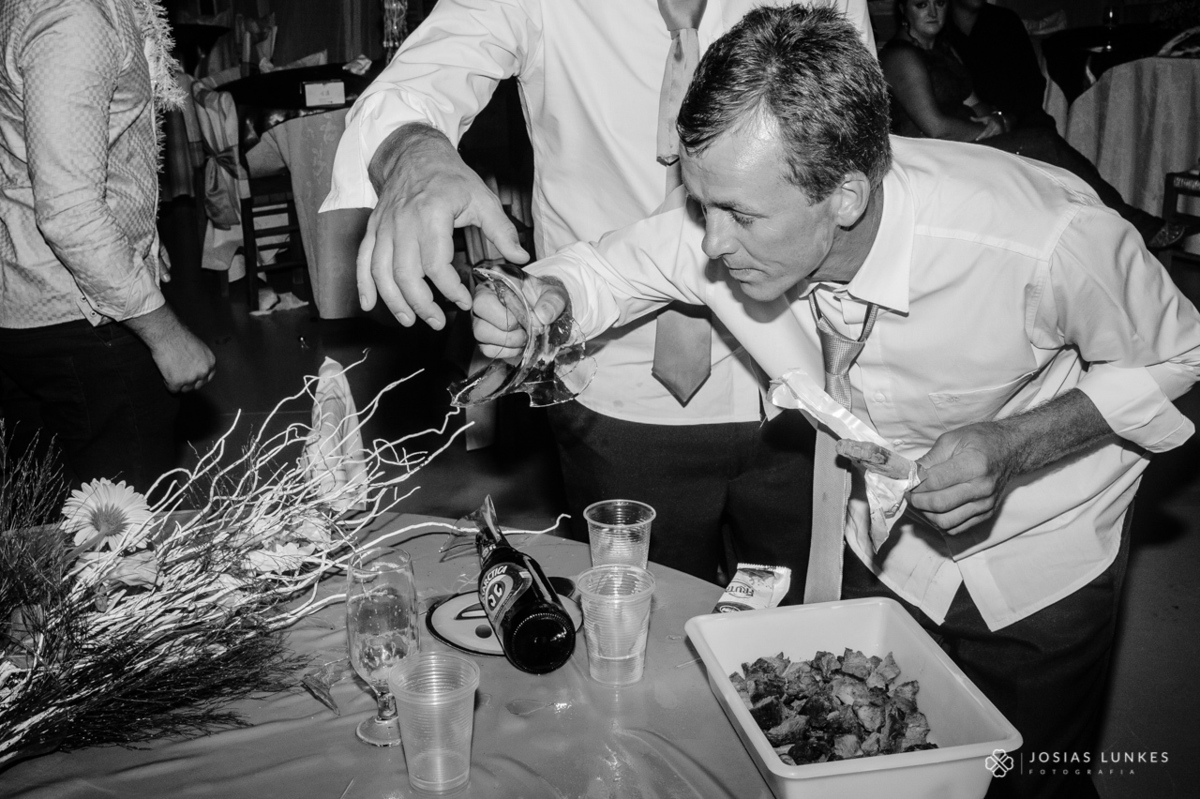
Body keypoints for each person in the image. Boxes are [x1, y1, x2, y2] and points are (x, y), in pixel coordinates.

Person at [471, 7, 1200, 798]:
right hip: (882, 544)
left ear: (846, 196)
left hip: (1040, 560)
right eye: (701, 205)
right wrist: (542, 300)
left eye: (741, 217)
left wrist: (1013, 444)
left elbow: (1179, 352)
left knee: (1028, 779)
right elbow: (606, 272)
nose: (711, 245)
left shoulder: (1039, 237)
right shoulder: (733, 218)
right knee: (859, 763)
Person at [322, 0, 875, 599]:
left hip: (799, 378)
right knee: (642, 629)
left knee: (800, 632)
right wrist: (412, 153)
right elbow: (421, 76)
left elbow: (855, 138)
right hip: (612, 377)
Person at [0, 0, 216, 494]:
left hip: (29, 291)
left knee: (50, 525)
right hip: (80, 313)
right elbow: (70, 210)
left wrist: (139, 231)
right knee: (124, 541)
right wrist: (166, 335)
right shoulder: (75, 13)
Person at [879, 0, 1172, 248]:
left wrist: (999, 118)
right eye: (921, 4)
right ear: (903, 9)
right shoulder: (901, 55)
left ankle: (1103, 232)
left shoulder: (943, 48)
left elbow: (975, 102)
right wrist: (987, 130)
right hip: (935, 156)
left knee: (1044, 146)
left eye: (939, 3)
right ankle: (1129, 222)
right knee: (1041, 144)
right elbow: (935, 127)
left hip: (968, 143)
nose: (932, 12)